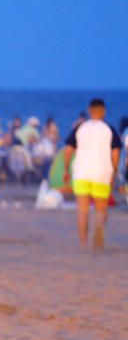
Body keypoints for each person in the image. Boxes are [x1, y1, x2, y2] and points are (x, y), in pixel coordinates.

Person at [62, 98, 121, 250]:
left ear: (89, 111)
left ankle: (83, 244)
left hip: (81, 172)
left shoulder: (80, 128)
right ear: (104, 111)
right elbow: (116, 152)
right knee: (101, 210)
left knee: (82, 210)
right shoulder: (109, 129)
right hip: (102, 173)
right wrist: (114, 172)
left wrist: (66, 168)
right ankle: (98, 233)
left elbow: (68, 149)